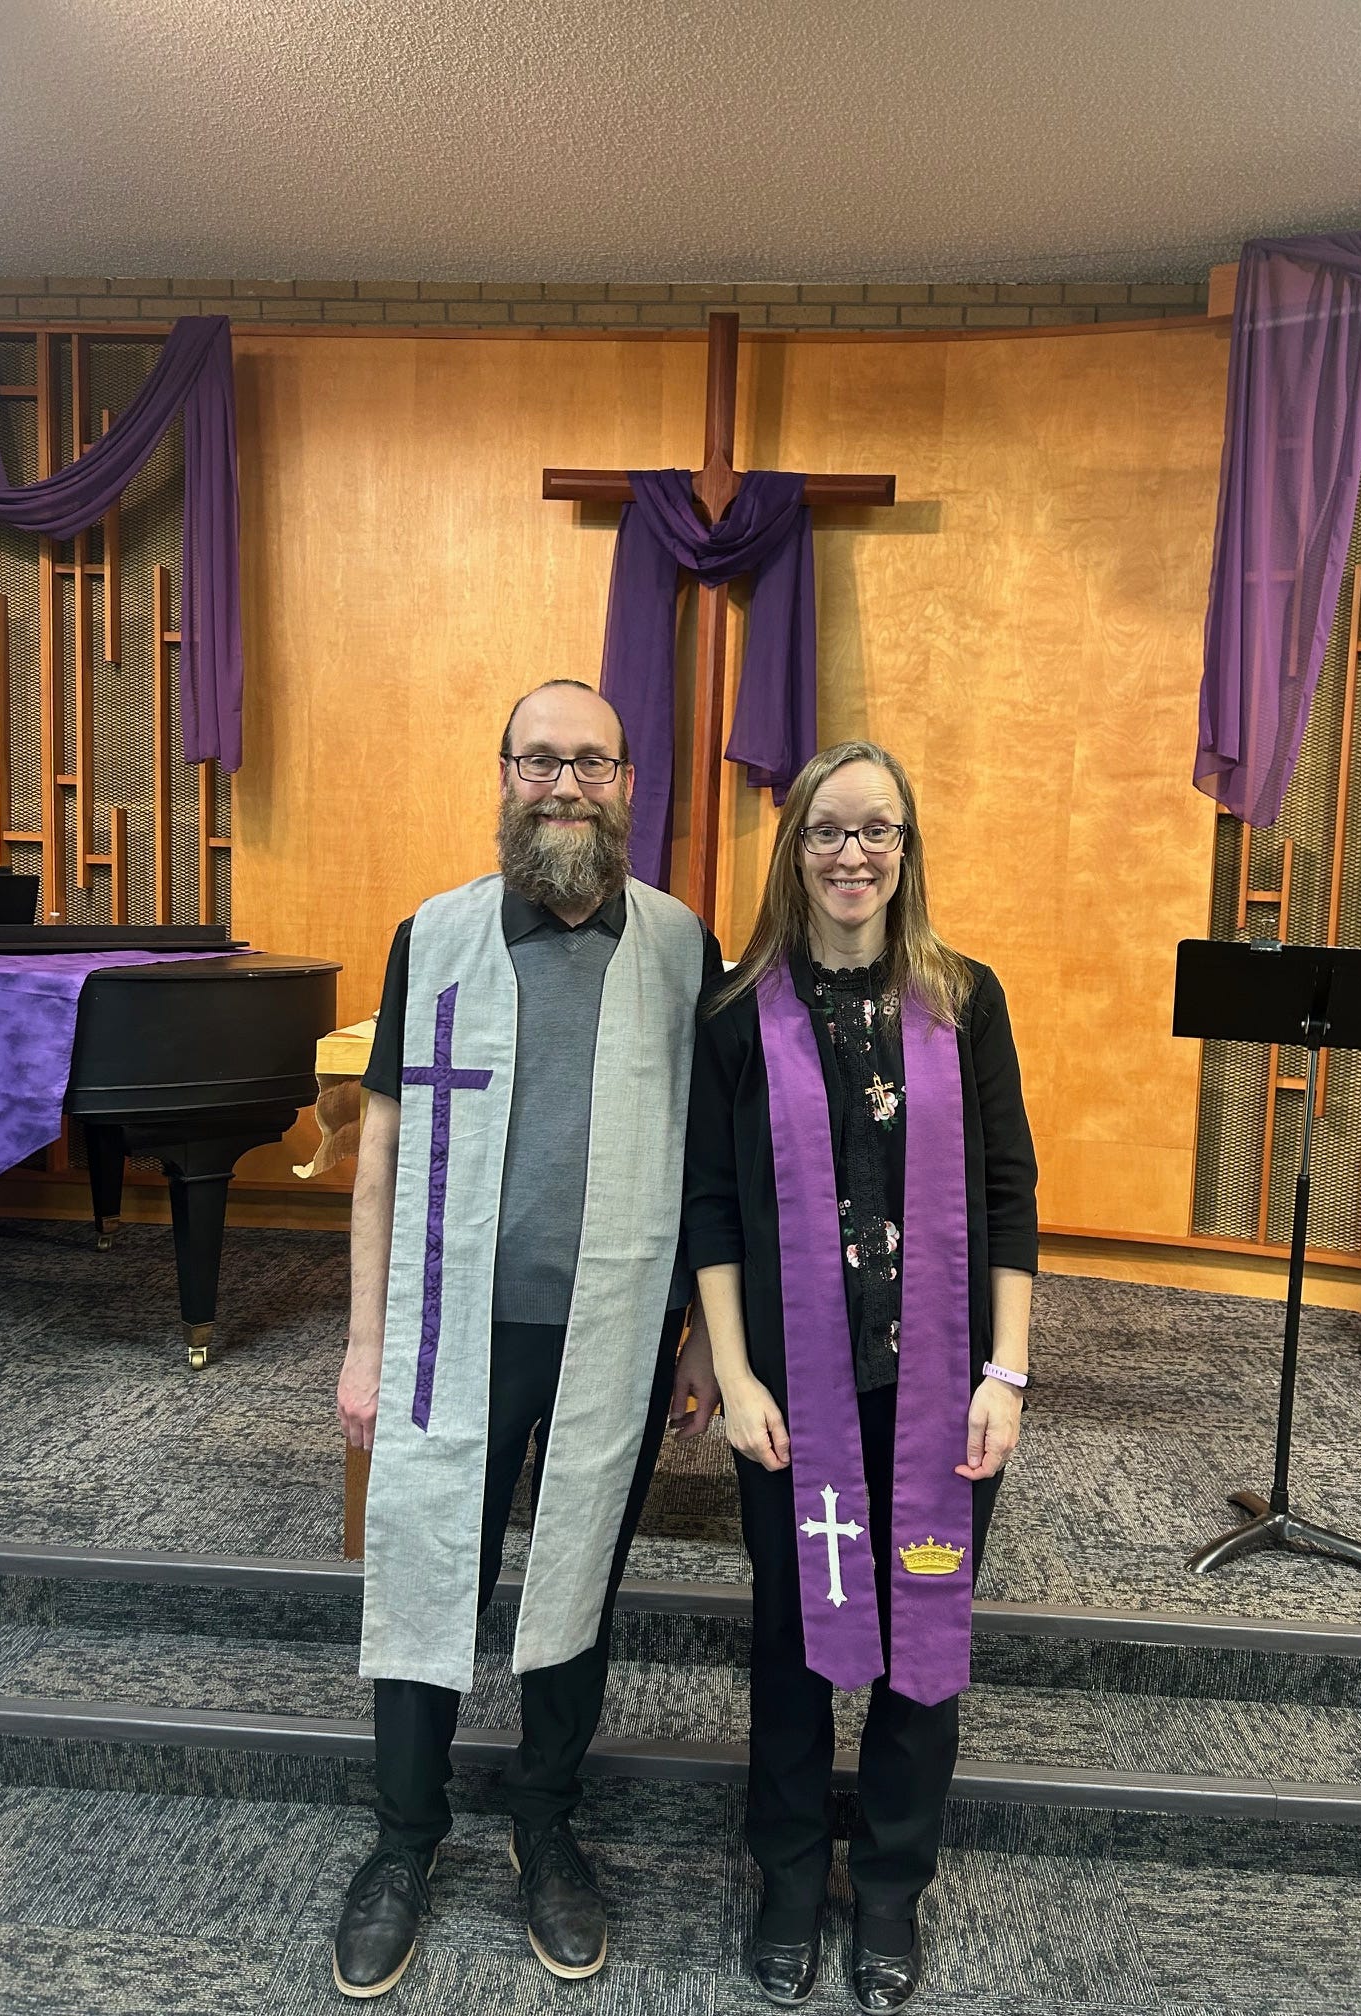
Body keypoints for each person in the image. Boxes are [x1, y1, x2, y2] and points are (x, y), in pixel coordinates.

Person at [334, 679, 722, 1999]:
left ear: (627, 781)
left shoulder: (681, 946)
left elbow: (709, 1163)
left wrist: (699, 1337)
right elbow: (382, 1152)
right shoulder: (434, 936)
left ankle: (546, 1825)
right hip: (455, 1329)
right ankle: (404, 1838)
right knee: (427, 1560)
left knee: (578, 1576)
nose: (566, 785)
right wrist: (364, 1342)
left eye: (592, 763)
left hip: (617, 1325)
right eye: (541, 760)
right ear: (505, 774)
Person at [685, 740, 1036, 2012]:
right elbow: (710, 1207)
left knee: (923, 1636)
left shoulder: (964, 998)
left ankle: (888, 1888)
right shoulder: (738, 1010)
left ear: (907, 848)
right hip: (792, 1388)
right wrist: (733, 1375)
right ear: (796, 849)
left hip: (938, 1387)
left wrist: (1007, 1373)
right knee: (790, 1641)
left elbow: (1010, 1190)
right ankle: (788, 1878)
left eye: (877, 830)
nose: (853, 853)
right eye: (829, 830)